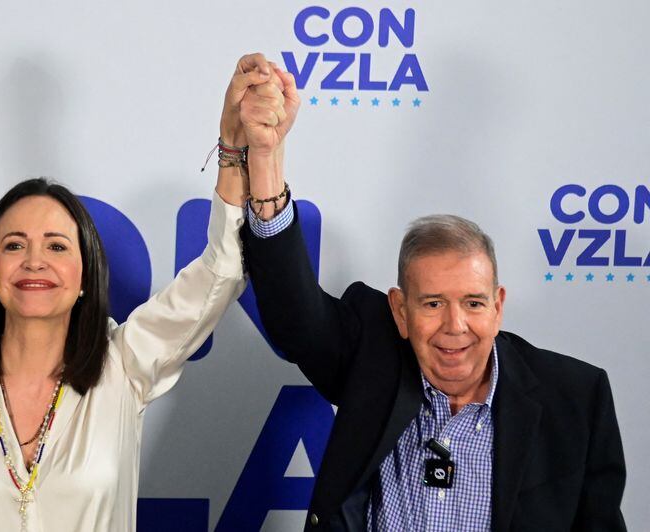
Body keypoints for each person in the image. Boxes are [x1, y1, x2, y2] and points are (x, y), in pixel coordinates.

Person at [232, 53, 627, 531]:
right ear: (400, 311)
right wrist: (266, 158)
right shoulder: (373, 356)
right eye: (433, 304)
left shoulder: (575, 399)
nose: (454, 327)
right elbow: (295, 316)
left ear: (498, 306)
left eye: (474, 303)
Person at [0, 57, 274, 531]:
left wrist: (235, 148)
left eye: (56, 246)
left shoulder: (124, 366)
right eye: (14, 245)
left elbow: (222, 271)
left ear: (85, 276)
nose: (35, 261)